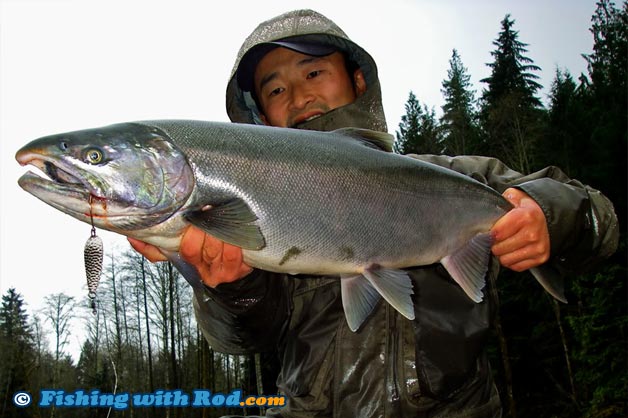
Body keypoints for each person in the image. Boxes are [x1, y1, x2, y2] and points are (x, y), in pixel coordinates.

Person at [129, 9, 619, 418]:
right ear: (260, 116)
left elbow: (600, 219)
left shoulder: (456, 177)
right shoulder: (245, 212)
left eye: (314, 73)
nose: (299, 97)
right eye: (275, 90)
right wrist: (232, 290)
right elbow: (245, 340)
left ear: (357, 81)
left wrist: (548, 216)